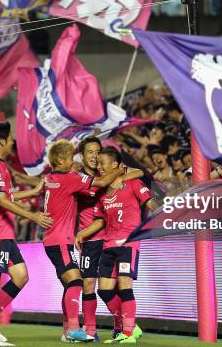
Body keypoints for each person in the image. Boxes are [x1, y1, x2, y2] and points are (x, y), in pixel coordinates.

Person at [0, 122, 53, 347]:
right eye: (10, 138)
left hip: (3, 234)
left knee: (20, 276)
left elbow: (7, 194)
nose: (12, 141)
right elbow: (1, 201)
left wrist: (34, 191)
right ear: (2, 142)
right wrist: (34, 217)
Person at [42, 139, 124, 343]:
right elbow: (101, 184)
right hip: (80, 240)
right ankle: (82, 329)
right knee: (81, 282)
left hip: (109, 237)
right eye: (89, 152)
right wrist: (121, 170)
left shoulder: (56, 176)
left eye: (98, 151)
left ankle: (121, 324)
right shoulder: (74, 177)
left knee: (108, 287)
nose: (94, 155)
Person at [76, 147, 158, 344]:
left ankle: (128, 332)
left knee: (125, 287)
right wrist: (82, 234)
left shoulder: (133, 183)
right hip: (108, 244)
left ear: (115, 165)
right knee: (104, 289)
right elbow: (99, 220)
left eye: (103, 163)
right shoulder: (103, 193)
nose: (100, 167)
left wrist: (164, 217)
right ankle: (130, 324)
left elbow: (151, 204)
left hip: (128, 242)